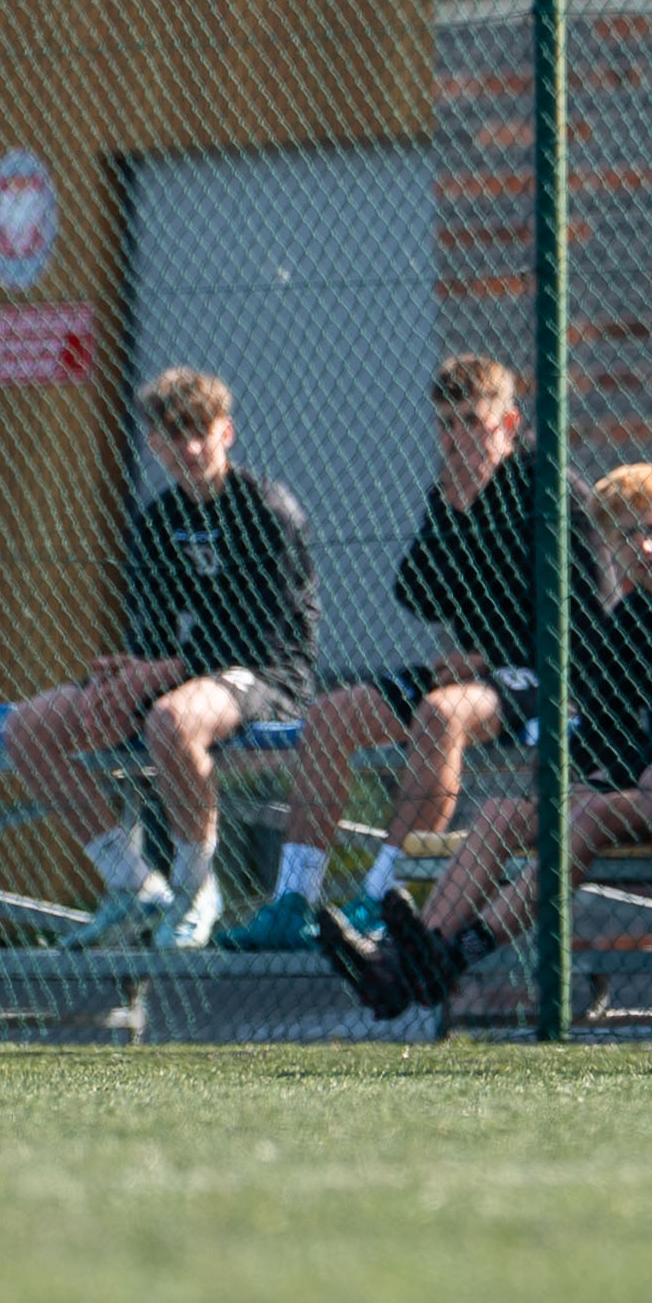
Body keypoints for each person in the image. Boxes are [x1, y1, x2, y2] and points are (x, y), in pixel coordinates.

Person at [317, 464, 652, 1020]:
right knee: (504, 813)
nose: (645, 546)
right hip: (638, 785)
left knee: (588, 814)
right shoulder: (628, 621)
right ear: (609, 546)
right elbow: (604, 732)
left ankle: (445, 958)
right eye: (627, 535)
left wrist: (607, 778)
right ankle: (407, 956)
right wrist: (590, 777)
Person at [221, 355, 598, 953]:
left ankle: (381, 896)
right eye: (446, 424)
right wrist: (453, 515)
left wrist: (491, 656)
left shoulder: (551, 488)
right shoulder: (450, 493)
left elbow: (589, 609)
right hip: (473, 673)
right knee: (332, 715)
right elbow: (416, 592)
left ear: (507, 422)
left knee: (441, 715)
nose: (456, 439)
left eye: (472, 422)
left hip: (550, 675)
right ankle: (292, 900)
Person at [5, 367, 317, 952]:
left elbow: (262, 638)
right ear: (154, 444)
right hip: (189, 678)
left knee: (170, 722)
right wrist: (123, 679)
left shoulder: (266, 510)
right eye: (174, 435)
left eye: (200, 430)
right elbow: (156, 637)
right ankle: (133, 885)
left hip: (266, 678)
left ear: (227, 432)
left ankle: (195, 887)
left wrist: (157, 675)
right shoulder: (158, 521)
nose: (189, 447)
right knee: (28, 728)